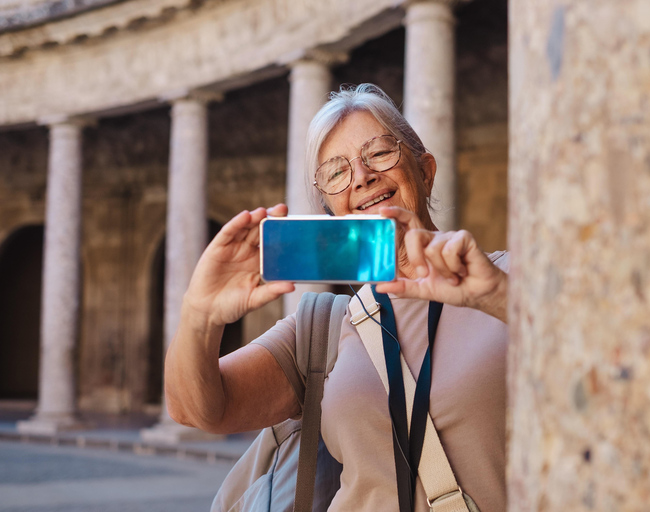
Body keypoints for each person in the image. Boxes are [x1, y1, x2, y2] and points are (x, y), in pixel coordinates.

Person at [165, 84, 509, 511]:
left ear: (425, 172)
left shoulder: (508, 278)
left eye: (380, 153)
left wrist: (497, 296)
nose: (362, 177)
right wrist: (200, 314)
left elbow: (601, 351)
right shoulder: (323, 329)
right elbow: (198, 410)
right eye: (336, 172)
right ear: (331, 209)